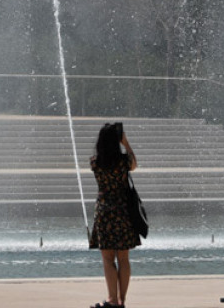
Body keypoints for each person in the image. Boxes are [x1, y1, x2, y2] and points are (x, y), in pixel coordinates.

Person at [88, 121, 139, 308]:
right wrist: (126, 143)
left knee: (108, 258)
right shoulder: (124, 162)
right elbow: (134, 165)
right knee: (123, 258)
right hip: (123, 211)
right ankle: (122, 301)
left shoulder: (95, 162)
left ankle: (112, 299)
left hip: (104, 211)